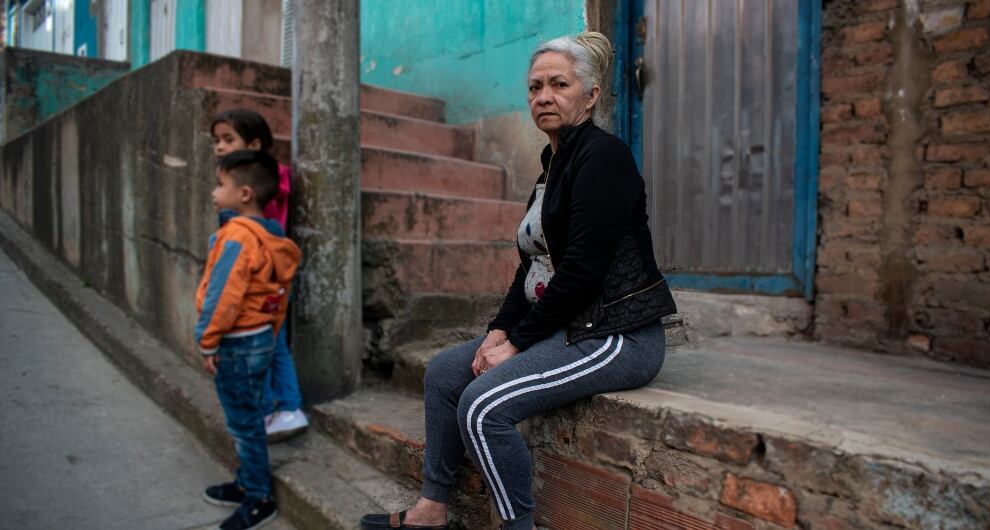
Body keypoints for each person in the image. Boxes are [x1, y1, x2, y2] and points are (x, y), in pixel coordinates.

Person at [360, 31, 677, 530]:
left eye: (559, 85)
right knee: (444, 372)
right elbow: (531, 267)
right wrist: (498, 331)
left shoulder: (604, 158)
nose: (544, 96)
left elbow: (581, 273)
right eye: (535, 87)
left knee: (482, 406)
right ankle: (431, 510)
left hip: (615, 334)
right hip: (568, 326)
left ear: (590, 96)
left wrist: (518, 343)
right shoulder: (553, 167)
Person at [196, 150, 301, 530]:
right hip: (259, 338)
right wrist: (270, 333)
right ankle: (246, 482)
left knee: (244, 423)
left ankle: (259, 497)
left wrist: (207, 340)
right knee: (251, 415)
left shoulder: (238, 236)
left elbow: (222, 296)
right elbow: (278, 296)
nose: (214, 192)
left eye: (220, 184)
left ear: (244, 194)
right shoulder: (271, 236)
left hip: (237, 343)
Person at [211, 109, 309, 441]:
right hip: (271, 279)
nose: (219, 147)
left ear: (254, 144)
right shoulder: (267, 180)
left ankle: (273, 409)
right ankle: (285, 408)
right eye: (217, 140)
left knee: (265, 345)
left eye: (228, 139)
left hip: (258, 283)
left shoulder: (256, 185)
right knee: (274, 344)